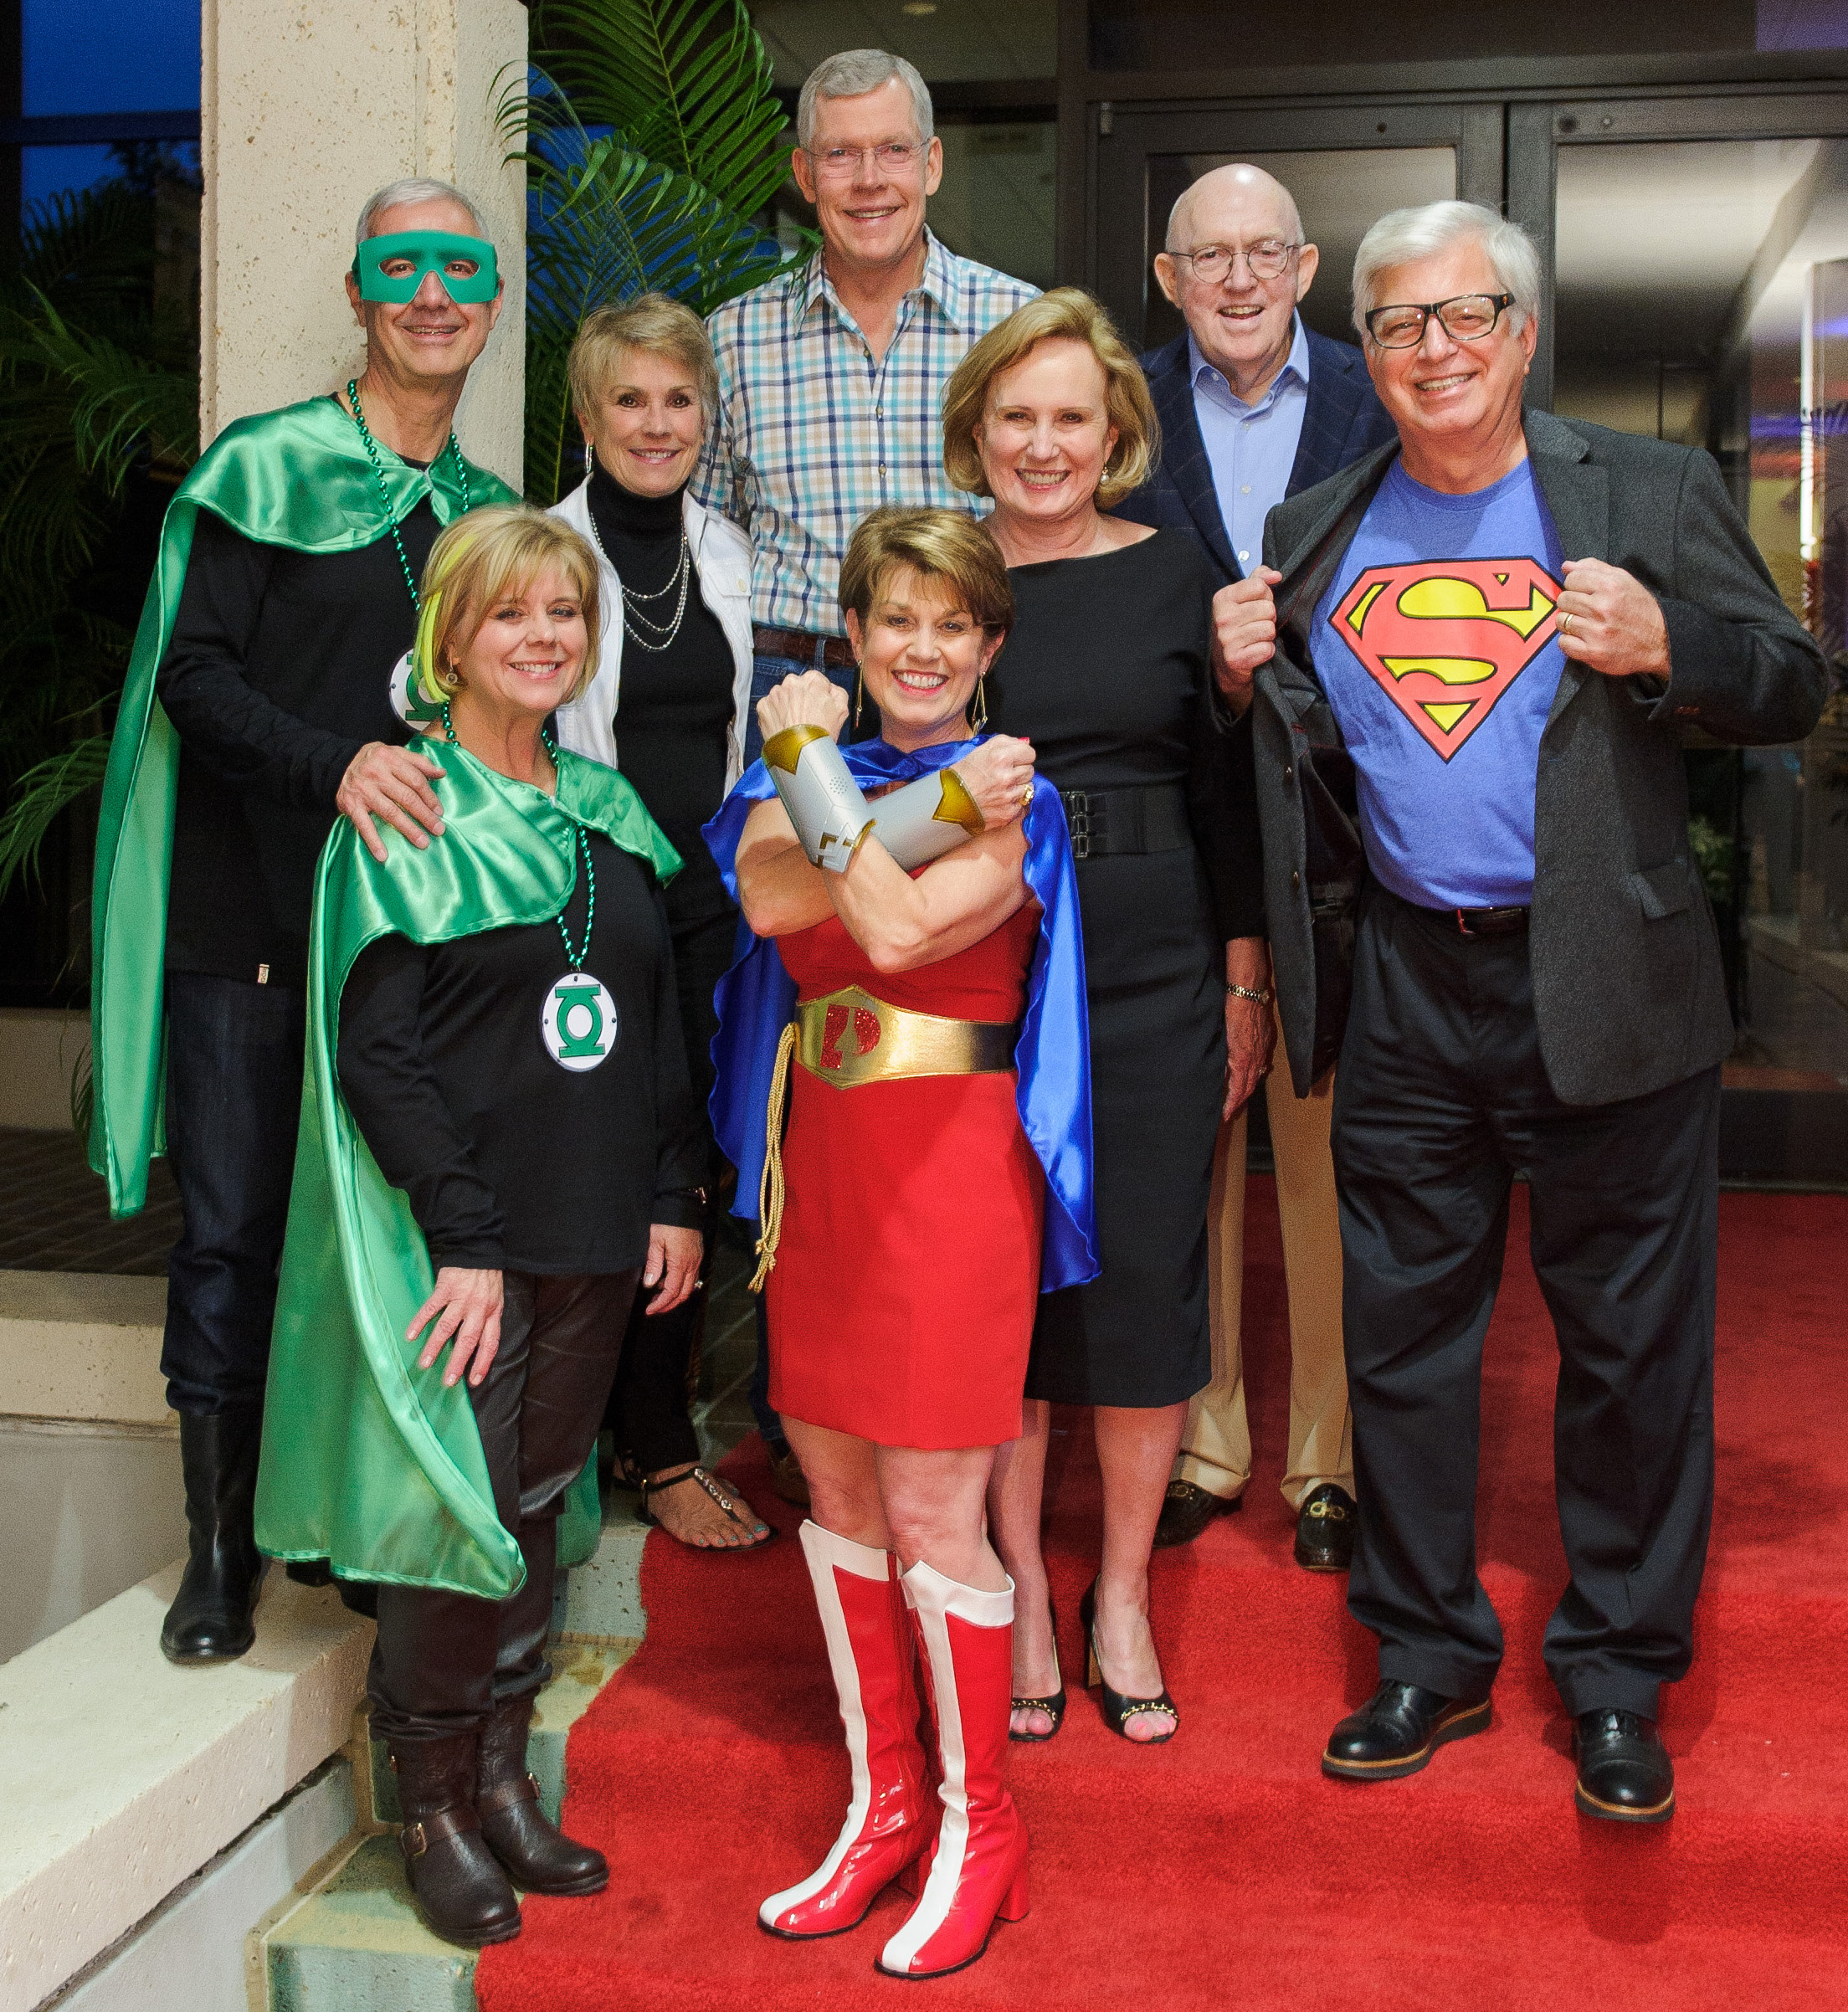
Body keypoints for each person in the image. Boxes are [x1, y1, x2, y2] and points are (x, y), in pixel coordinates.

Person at [1222, 200, 1826, 1820]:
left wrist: (1670, 642)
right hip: (1409, 981)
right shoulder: (1313, 527)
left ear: (1524, 332)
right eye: (1400, 323)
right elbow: (1300, 757)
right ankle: (1424, 1650)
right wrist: (1237, 680)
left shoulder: (1644, 490)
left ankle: (1620, 1675)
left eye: (1466, 315)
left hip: (1606, 977)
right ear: (1370, 350)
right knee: (1405, 1345)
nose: (1434, 350)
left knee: (1631, 1349)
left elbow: (1791, 679)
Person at [255, 506, 703, 1945]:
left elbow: (656, 1025)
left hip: (596, 1229)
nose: (541, 636)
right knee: (457, 1519)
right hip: (466, 1247)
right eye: (510, 613)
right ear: (449, 638)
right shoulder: (410, 810)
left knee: (539, 1508)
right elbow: (377, 1052)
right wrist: (461, 1234)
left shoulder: (610, 813)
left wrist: (671, 1194)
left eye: (564, 613)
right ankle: (433, 1806)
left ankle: (505, 1778)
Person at [87, 177, 517, 1664]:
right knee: (233, 1235)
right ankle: (218, 1556)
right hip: (253, 926)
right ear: (357, 294)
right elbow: (191, 677)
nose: (431, 296)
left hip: (403, 953)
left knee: (378, 1238)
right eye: (400, 269)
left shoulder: (485, 512)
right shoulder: (262, 468)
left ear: (491, 302)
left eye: (458, 270)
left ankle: (341, 1517)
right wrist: (334, 766)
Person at [704, 507, 1093, 1980]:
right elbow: (773, 895)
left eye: (953, 625)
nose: (921, 649)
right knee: (839, 1494)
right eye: (896, 621)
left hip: (952, 1176)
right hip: (825, 1173)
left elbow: (902, 932)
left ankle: (980, 1830)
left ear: (989, 648)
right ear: (857, 635)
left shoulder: (1019, 797)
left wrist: (809, 761)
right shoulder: (853, 784)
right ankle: (884, 1812)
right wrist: (893, 802)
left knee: (937, 1513)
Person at [692, 44, 1038, 1500]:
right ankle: (803, 1392)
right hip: (799, 712)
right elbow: (704, 547)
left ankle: (948, 1378)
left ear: (935, 162)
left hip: (959, 705)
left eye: (894, 149)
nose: (870, 178)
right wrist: (785, 744)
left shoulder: (1013, 326)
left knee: (942, 1035)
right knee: (787, 1038)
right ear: (802, 174)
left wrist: (965, 758)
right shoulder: (733, 340)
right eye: (839, 154)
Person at [940, 290, 1268, 1744]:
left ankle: (1120, 1592)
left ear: (1115, 431)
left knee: (1143, 1289)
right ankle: (1019, 1587)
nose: (1043, 443)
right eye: (1016, 415)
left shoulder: (1179, 571)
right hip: (982, 971)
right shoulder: (935, 570)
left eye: (1071, 416)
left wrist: (1245, 981)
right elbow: (875, 776)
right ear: (976, 431)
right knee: (1003, 1297)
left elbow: (1227, 793)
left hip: (1154, 976)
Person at [397, 295, 774, 1549]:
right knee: (587, 1154)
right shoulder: (536, 554)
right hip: (573, 898)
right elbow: (434, 685)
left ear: (708, 414)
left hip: (709, 906)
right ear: (587, 415)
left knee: (687, 1162)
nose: (656, 424)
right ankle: (604, 1437)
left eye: (679, 399)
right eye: (629, 399)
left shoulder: (734, 553)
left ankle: (656, 1439)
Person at [1119, 162, 1399, 1568]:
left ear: (1304, 269)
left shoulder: (1378, 394)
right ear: (1168, 280)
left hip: (1343, 830)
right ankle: (1208, 1439)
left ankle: (1328, 1462)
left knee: (1327, 1141)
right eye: (1208, 257)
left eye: (1263, 253)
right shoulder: (1121, 405)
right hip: (1175, 824)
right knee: (1199, 1142)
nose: (1237, 279)